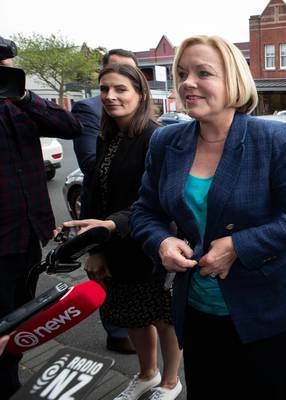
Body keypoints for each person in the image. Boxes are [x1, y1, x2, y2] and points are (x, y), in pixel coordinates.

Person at [130, 35, 286, 399]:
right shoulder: (165, 142)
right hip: (197, 309)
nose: (188, 82)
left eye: (203, 73)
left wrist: (238, 245)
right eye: (183, 73)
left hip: (266, 310)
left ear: (232, 80)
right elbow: (144, 211)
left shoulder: (270, 138)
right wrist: (161, 241)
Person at [63, 64, 182, 400]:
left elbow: (157, 200)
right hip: (113, 245)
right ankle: (147, 374)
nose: (111, 96)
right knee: (130, 314)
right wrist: (95, 248)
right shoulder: (107, 137)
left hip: (150, 244)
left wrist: (110, 227)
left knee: (162, 318)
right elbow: (94, 194)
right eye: (104, 90)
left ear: (141, 93)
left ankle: (171, 383)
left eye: (120, 89)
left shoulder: (156, 137)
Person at [0, 50, 82, 398]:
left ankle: (9, 381)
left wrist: (23, 94)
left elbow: (70, 126)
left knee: (22, 320)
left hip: (29, 236)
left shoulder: (18, 104)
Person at [71, 48, 138, 355]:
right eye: (106, 86)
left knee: (144, 307)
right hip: (108, 214)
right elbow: (90, 165)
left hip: (137, 225)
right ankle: (116, 332)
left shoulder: (151, 131)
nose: (113, 93)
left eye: (126, 80)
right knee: (108, 282)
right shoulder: (91, 115)